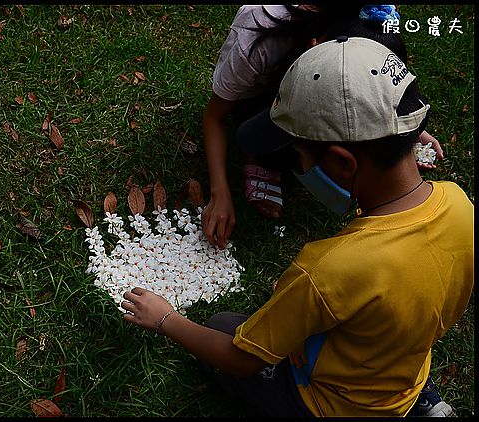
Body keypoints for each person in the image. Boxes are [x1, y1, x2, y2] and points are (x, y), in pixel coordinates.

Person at [120, 37, 473, 416]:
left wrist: (165, 318)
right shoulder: (459, 203)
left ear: (342, 163)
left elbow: (242, 359)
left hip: (332, 404)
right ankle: (425, 402)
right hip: (400, 365)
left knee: (221, 328)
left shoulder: (325, 272)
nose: (299, 168)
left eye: (300, 157)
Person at [202, 4, 444, 250]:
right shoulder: (256, 35)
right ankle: (264, 160)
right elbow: (215, 115)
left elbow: (380, 94)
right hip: (258, 97)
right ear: (314, 46)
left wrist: (407, 129)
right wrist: (219, 191)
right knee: (274, 149)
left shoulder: (371, 27)